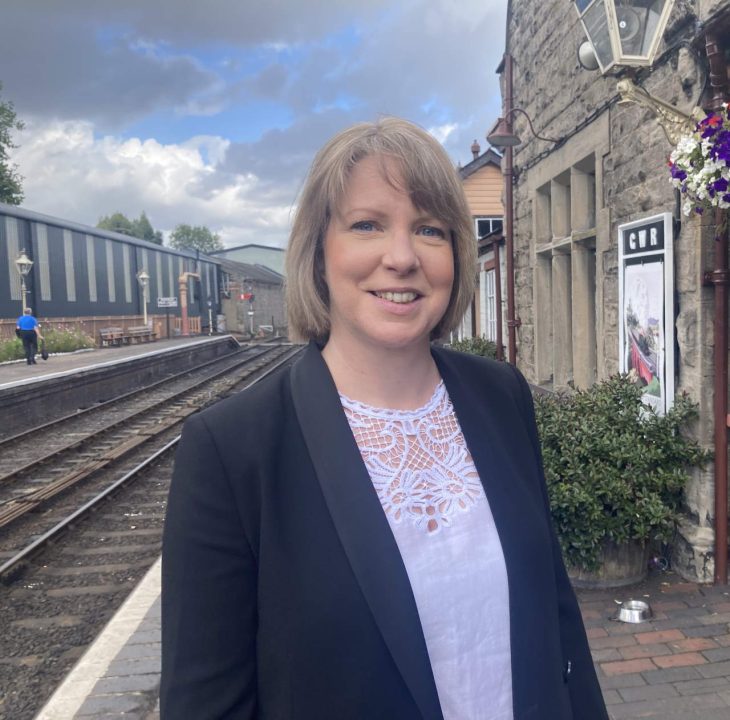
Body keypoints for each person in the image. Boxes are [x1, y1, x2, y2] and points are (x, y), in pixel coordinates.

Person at [160, 117, 608, 720]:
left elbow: (556, 618)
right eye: (367, 225)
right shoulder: (233, 448)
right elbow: (206, 702)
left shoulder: (500, 397)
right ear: (320, 253)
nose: (401, 258)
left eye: (429, 229)